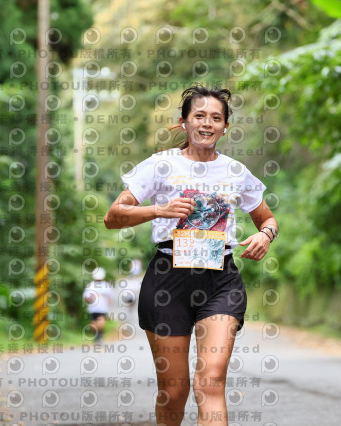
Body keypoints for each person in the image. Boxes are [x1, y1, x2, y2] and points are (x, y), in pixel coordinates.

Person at [104, 83, 278, 426]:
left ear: (225, 127)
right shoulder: (160, 165)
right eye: (199, 115)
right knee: (174, 391)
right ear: (183, 122)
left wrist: (265, 235)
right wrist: (160, 209)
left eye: (216, 118)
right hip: (168, 279)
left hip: (220, 279)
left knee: (210, 381)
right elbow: (113, 216)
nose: (207, 123)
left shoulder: (235, 171)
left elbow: (267, 219)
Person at [82, 267, 113, 344]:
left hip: (102, 308)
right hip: (93, 308)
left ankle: (100, 336)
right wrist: (90, 298)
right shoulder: (90, 285)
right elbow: (86, 297)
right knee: (94, 323)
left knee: (101, 321)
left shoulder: (106, 285)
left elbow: (109, 297)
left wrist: (108, 304)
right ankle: (97, 336)